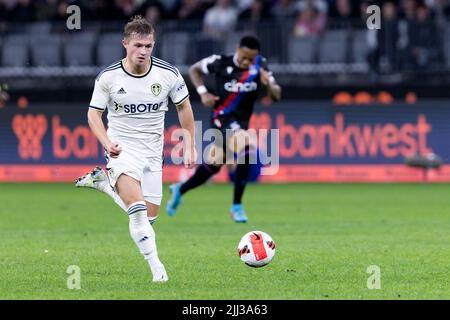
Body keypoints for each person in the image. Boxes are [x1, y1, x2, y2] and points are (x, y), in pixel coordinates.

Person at [74, 16, 196, 282]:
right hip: (122, 150)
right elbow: (93, 115)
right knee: (138, 213)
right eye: (138, 45)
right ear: (125, 44)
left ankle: (103, 185)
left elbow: (184, 107)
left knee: (148, 220)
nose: (143, 51)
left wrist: (189, 143)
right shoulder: (109, 77)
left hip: (153, 152)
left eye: (149, 46)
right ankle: (158, 272)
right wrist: (107, 143)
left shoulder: (168, 74)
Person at [166, 35, 281, 223]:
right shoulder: (220, 62)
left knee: (214, 165)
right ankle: (237, 205)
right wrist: (203, 93)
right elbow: (194, 69)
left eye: (250, 59)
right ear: (237, 49)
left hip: (240, 123)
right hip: (221, 118)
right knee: (248, 147)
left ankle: (180, 189)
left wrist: (270, 84)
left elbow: (276, 96)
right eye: (244, 57)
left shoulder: (261, 64)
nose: (246, 62)